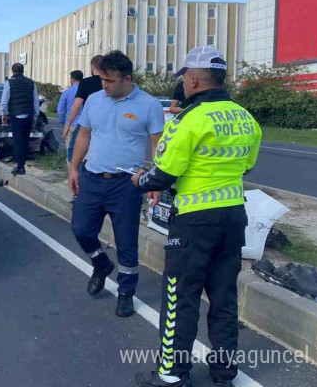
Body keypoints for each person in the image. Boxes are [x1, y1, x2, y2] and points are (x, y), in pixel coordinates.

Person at [131, 46, 262, 387]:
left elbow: (162, 175)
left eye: (184, 80)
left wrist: (139, 179)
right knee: (223, 298)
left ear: (192, 79)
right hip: (233, 217)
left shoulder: (188, 120)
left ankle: (173, 376)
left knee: (180, 297)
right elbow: (248, 165)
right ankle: (224, 374)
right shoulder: (245, 117)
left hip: (194, 221)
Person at [68, 51, 164, 317]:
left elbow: (158, 143)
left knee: (126, 243)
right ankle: (100, 263)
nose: (104, 85)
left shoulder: (149, 105)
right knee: (81, 229)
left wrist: (155, 180)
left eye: (109, 81)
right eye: (102, 79)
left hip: (127, 184)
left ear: (127, 79)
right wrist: (74, 167)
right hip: (92, 178)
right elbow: (85, 134)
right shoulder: (95, 100)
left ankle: (125, 293)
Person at [1, 63, 40, 176]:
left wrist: (4, 114)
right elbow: (35, 101)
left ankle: (20, 167)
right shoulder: (31, 83)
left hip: (15, 115)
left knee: (18, 141)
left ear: (13, 71)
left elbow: (4, 100)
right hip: (28, 115)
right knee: (25, 140)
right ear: (23, 71)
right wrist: (35, 116)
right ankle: (21, 165)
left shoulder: (9, 82)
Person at [62, 56, 104, 141]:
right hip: (106, 121)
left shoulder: (85, 82)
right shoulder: (109, 82)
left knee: (73, 149)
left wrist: (68, 124)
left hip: (89, 121)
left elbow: (77, 105)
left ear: (92, 68)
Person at [57, 70, 84, 171]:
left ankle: (71, 174)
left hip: (70, 125)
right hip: (84, 126)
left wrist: (64, 121)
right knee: (83, 152)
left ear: (72, 79)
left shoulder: (66, 93)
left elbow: (60, 110)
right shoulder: (86, 92)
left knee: (70, 151)